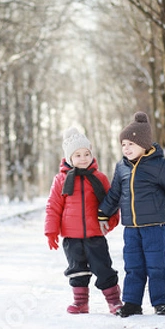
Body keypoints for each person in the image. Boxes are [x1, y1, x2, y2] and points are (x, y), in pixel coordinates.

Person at [99, 111, 165, 317]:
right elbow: (115, 193)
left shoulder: (160, 166)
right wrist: (103, 213)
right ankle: (132, 303)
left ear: (144, 144)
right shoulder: (121, 167)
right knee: (133, 266)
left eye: (130, 144)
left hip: (154, 227)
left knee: (156, 266)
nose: (126, 148)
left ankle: (161, 303)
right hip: (131, 228)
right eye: (123, 144)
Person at [44, 127, 122, 315]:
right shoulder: (61, 180)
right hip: (71, 237)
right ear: (69, 158)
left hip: (95, 234)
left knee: (103, 267)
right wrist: (51, 231)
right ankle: (80, 303)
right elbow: (53, 206)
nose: (83, 158)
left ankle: (114, 301)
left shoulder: (99, 178)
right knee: (77, 270)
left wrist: (111, 221)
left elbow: (110, 202)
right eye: (77, 155)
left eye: (86, 154)